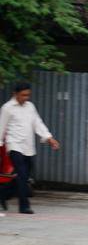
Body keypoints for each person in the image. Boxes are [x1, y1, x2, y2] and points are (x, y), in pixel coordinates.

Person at [0, 82, 60, 214]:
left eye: (28, 95)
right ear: (15, 94)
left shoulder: (30, 107)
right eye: (23, 95)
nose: (26, 97)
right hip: (14, 144)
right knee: (21, 174)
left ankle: (2, 193)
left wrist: (49, 138)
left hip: (28, 146)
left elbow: (37, 123)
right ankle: (24, 206)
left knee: (24, 176)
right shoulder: (7, 108)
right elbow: (1, 127)